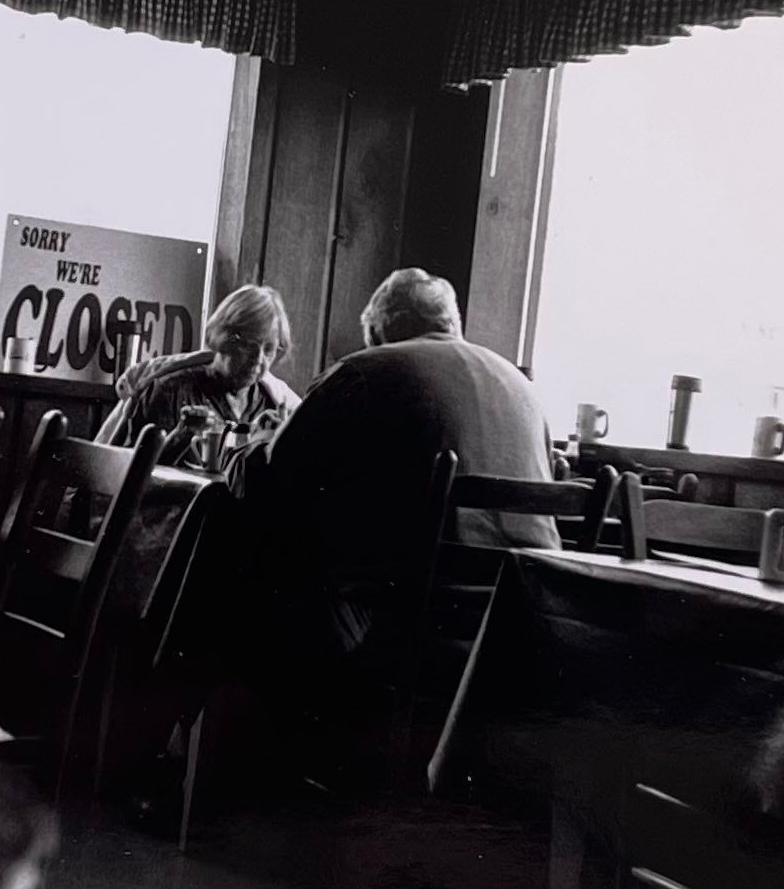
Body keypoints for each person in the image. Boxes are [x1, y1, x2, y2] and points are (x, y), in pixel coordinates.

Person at [232, 267, 557, 666]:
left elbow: (270, 476)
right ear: (452, 323)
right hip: (517, 625)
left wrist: (257, 442)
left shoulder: (367, 370)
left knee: (261, 569)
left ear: (381, 329)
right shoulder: (524, 389)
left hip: (408, 624)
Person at [98, 284, 299, 466]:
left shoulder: (271, 405)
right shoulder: (170, 391)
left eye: (269, 349)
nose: (258, 358)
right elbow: (126, 477)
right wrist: (181, 436)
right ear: (223, 337)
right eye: (249, 345)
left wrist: (281, 445)